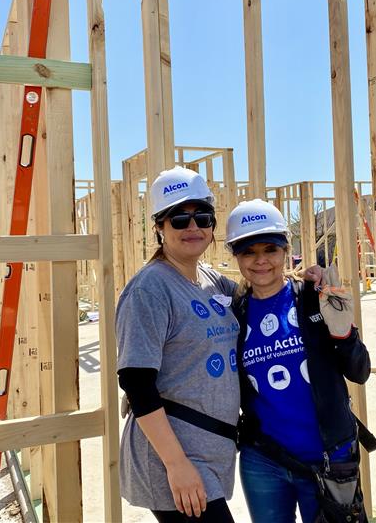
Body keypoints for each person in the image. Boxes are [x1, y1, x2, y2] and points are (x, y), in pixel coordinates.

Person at [227, 199, 371, 523]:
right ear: (235, 256)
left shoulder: (313, 298)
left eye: (271, 249)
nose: (261, 260)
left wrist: (344, 334)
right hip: (265, 461)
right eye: (248, 251)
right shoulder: (233, 316)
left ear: (286, 250)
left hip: (330, 458)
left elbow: (359, 372)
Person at [116, 167, 240, 523]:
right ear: (159, 227)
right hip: (173, 459)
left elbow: (259, 296)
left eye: (202, 216)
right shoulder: (150, 289)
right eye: (179, 220)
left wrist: (305, 281)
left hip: (209, 453)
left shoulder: (212, 280)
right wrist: (177, 464)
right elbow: (137, 384)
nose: (193, 227)